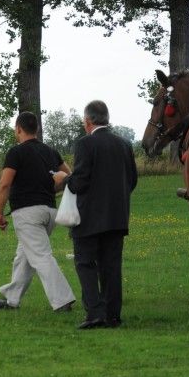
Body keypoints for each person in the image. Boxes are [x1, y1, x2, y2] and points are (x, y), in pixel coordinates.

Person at [53, 101, 137, 329]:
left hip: (89, 216)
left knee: (85, 263)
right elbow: (132, 180)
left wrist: (63, 179)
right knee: (111, 266)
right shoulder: (124, 144)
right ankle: (112, 315)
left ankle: (95, 313)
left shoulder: (85, 144)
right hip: (117, 216)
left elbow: (79, 181)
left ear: (88, 121)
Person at [0, 112, 76, 313]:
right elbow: (69, 177)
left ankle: (63, 300)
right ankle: (12, 299)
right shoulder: (51, 152)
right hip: (49, 213)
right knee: (24, 256)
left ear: (18, 129)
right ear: (36, 129)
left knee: (41, 256)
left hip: (27, 215)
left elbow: (4, 185)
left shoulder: (15, 153)